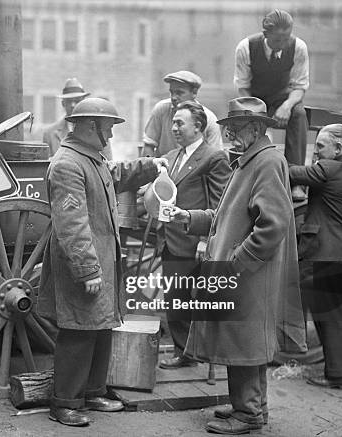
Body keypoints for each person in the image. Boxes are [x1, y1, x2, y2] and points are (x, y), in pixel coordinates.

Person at [170, 97, 305, 434]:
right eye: (228, 128)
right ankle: (248, 408)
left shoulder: (267, 162)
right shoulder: (248, 161)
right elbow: (226, 217)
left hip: (248, 275)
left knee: (245, 342)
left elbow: (271, 226)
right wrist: (191, 217)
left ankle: (249, 414)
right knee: (239, 343)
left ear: (257, 129)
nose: (228, 133)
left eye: (236, 128)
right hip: (241, 272)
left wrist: (235, 263)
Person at [38, 97, 164, 427]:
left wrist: (151, 166)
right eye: (106, 128)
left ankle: (93, 391)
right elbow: (72, 224)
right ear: (89, 127)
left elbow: (114, 175)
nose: (109, 135)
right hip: (85, 264)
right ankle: (64, 402)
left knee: (100, 326)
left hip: (101, 260)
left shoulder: (89, 159)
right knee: (79, 330)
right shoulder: (67, 164)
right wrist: (87, 269)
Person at [155, 101, 231, 369]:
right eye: (173, 122)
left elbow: (219, 204)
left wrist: (203, 240)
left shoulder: (214, 157)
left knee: (196, 301)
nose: (174, 127)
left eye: (180, 123)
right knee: (175, 298)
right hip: (170, 240)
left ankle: (198, 352)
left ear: (198, 127)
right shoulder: (172, 156)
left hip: (194, 242)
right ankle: (184, 352)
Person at [290, 124, 342, 390]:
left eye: (321, 146)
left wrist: (269, 161)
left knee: (329, 316)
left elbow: (293, 173)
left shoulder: (328, 169)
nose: (317, 151)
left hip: (326, 253)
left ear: (339, 148)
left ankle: (338, 376)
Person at [234, 9, 310, 200]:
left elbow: (300, 86)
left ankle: (296, 182)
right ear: (265, 34)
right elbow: (242, 87)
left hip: (282, 99)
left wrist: (287, 106)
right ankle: (250, 179)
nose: (282, 44)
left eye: (286, 39)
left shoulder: (299, 47)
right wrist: (254, 112)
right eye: (277, 40)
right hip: (254, 98)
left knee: (299, 114)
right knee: (246, 122)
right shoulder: (246, 47)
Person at [142, 71, 223, 158]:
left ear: (194, 93)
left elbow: (216, 155)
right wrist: (148, 169)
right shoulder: (161, 109)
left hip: (196, 170)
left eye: (179, 93)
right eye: (171, 92)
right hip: (163, 168)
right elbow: (149, 145)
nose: (173, 97)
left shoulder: (209, 118)